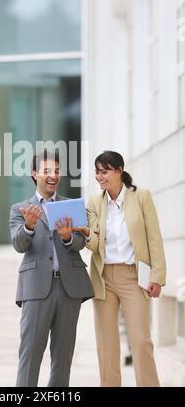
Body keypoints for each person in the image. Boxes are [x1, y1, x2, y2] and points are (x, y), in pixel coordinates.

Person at [73, 150, 166, 387]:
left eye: (104, 171)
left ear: (119, 170)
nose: (99, 177)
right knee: (106, 345)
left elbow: (154, 238)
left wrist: (157, 276)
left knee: (141, 341)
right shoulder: (94, 203)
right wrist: (84, 232)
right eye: (96, 172)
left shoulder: (141, 196)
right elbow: (94, 246)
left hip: (134, 277)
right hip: (104, 279)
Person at [9, 150, 94, 387]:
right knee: (30, 354)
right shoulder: (20, 209)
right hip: (36, 288)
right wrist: (28, 226)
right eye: (47, 171)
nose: (53, 176)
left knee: (63, 357)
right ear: (35, 174)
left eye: (56, 171)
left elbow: (81, 243)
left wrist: (68, 237)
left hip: (69, 288)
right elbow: (19, 244)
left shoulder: (72, 206)